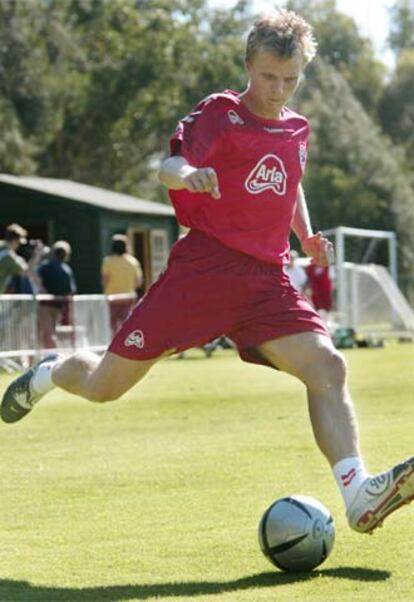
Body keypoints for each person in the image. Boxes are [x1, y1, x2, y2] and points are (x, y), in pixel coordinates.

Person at [1, 10, 412, 535]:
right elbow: (168, 165)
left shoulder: (295, 129)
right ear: (248, 65)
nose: (277, 90)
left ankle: (357, 493)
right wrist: (191, 175)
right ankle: (51, 371)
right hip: (204, 271)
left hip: (268, 280)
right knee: (105, 386)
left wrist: (304, 236)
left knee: (327, 366)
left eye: (290, 79)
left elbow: (290, 183)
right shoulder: (221, 112)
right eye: (268, 76)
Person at [37, 241, 77, 349]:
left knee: (47, 334)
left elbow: (36, 280)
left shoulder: (45, 266)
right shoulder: (67, 270)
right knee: (50, 333)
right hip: (58, 306)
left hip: (45, 305)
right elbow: (70, 291)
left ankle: (53, 356)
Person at [101, 234, 143, 334]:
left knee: (112, 326)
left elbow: (104, 280)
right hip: (128, 298)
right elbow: (139, 282)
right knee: (126, 325)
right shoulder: (133, 262)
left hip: (112, 298)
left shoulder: (108, 261)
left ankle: (113, 346)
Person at [0, 224, 42, 294]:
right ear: (15, 240)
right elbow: (28, 272)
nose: (19, 246)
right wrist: (37, 254)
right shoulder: (9, 257)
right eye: (19, 243)